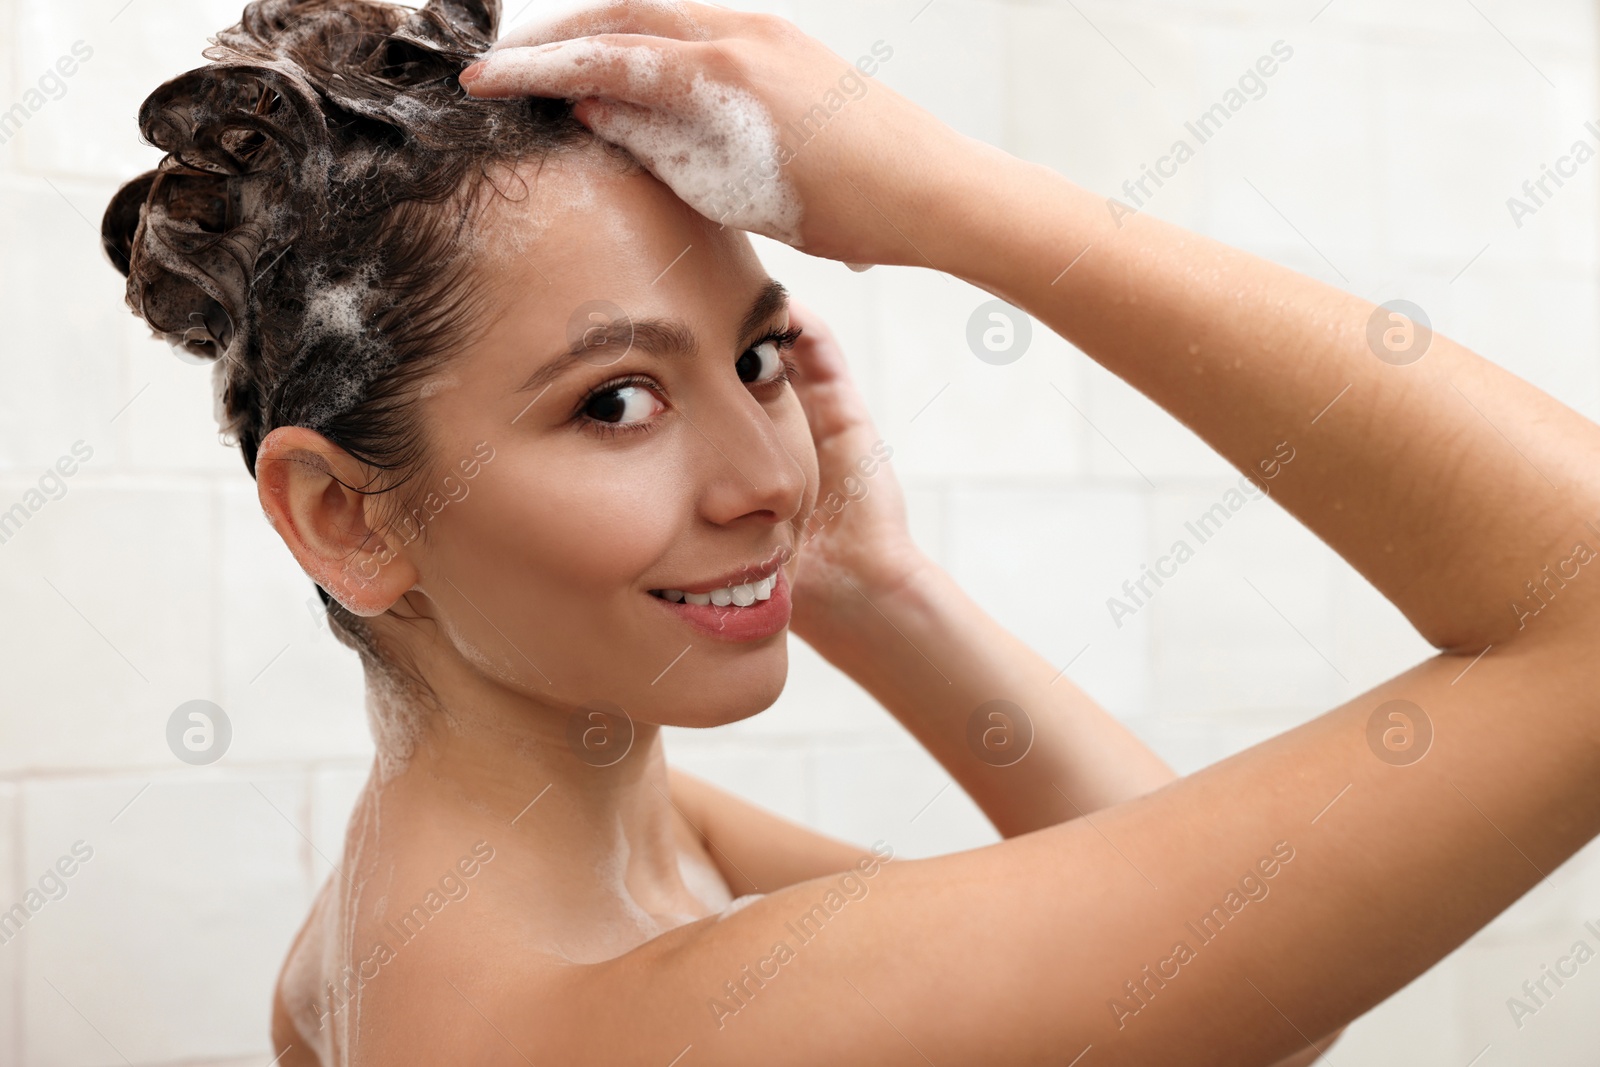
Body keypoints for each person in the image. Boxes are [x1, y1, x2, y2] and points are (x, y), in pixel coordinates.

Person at [102, 1, 1600, 1064]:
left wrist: (879, 589)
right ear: (348, 518)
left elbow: (1267, 996)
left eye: (756, 360)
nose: (768, 468)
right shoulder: (617, 1022)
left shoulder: (497, 904)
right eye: (616, 401)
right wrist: (964, 200)